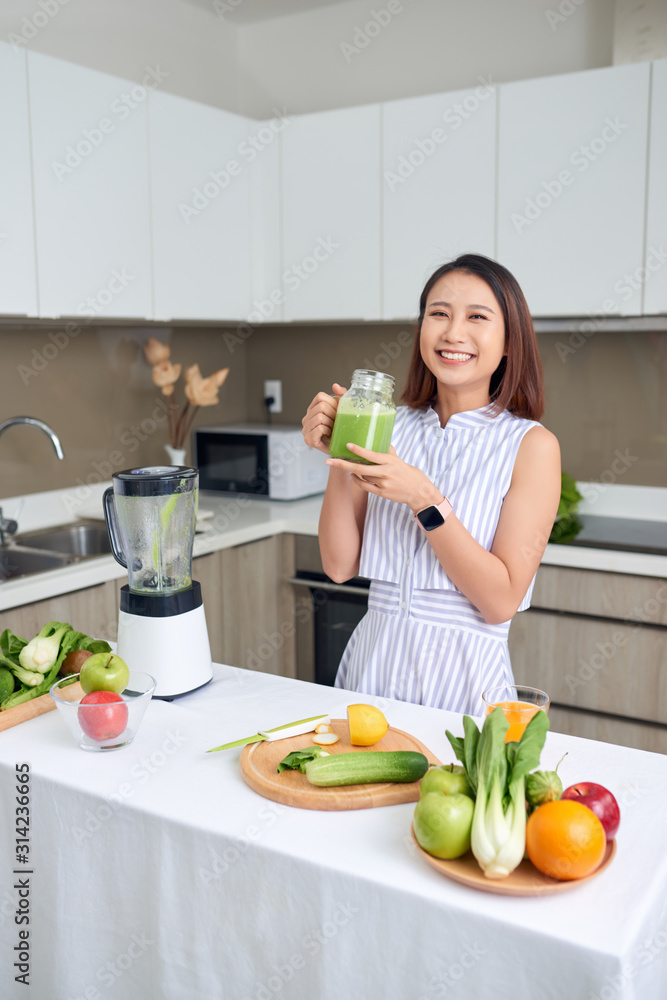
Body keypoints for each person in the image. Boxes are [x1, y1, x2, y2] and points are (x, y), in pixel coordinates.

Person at [301, 254, 561, 715]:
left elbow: (501, 601)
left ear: (508, 342)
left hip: (466, 688)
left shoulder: (531, 446)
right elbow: (338, 565)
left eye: (477, 317)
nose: (453, 332)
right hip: (370, 676)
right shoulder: (389, 425)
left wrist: (424, 498)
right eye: (438, 313)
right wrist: (341, 455)